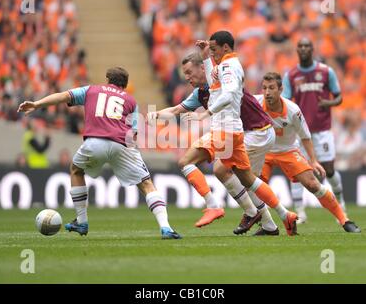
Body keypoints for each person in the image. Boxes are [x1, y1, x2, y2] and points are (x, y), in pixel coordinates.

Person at [18, 67, 181, 239]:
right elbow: (133, 134)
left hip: (95, 142)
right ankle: (166, 228)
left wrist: (37, 104)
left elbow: (64, 96)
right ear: (124, 85)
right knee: (147, 184)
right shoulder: (131, 101)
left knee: (76, 170)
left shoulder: (91, 90)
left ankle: (82, 221)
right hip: (122, 144)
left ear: (108, 80)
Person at [177, 31, 298, 235]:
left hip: (239, 130)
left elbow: (229, 93)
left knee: (200, 165)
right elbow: (215, 86)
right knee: (248, 180)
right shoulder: (222, 67)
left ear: (225, 48)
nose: (212, 54)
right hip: (245, 131)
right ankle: (281, 216)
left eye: (214, 49)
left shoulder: (228, 67)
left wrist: (206, 112)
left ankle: (222, 207)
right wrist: (206, 56)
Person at [148, 52, 279, 235]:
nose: (187, 78)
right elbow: (178, 109)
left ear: (203, 67)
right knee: (232, 174)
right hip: (240, 133)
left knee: (226, 172)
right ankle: (269, 223)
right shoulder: (200, 93)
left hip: (253, 131)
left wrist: (204, 114)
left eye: (189, 72)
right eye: (184, 74)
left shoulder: (222, 82)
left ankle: (236, 209)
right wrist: (156, 114)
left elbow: (233, 94)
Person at [256, 72, 360, 233]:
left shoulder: (293, 110)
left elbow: (305, 136)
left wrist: (313, 160)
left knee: (312, 184)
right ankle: (269, 225)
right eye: (264, 88)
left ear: (281, 89)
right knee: (254, 186)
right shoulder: (255, 103)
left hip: (288, 150)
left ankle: (344, 220)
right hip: (263, 151)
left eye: (271, 88)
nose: (267, 92)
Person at [282, 37, 346, 223]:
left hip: (322, 130)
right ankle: (300, 212)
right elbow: (285, 102)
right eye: (300, 46)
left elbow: (339, 97)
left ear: (312, 49)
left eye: (307, 46)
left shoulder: (326, 72)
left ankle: (340, 204)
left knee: (330, 169)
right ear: (297, 50)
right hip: (300, 133)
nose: (303, 49)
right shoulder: (291, 75)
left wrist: (329, 102)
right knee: (297, 172)